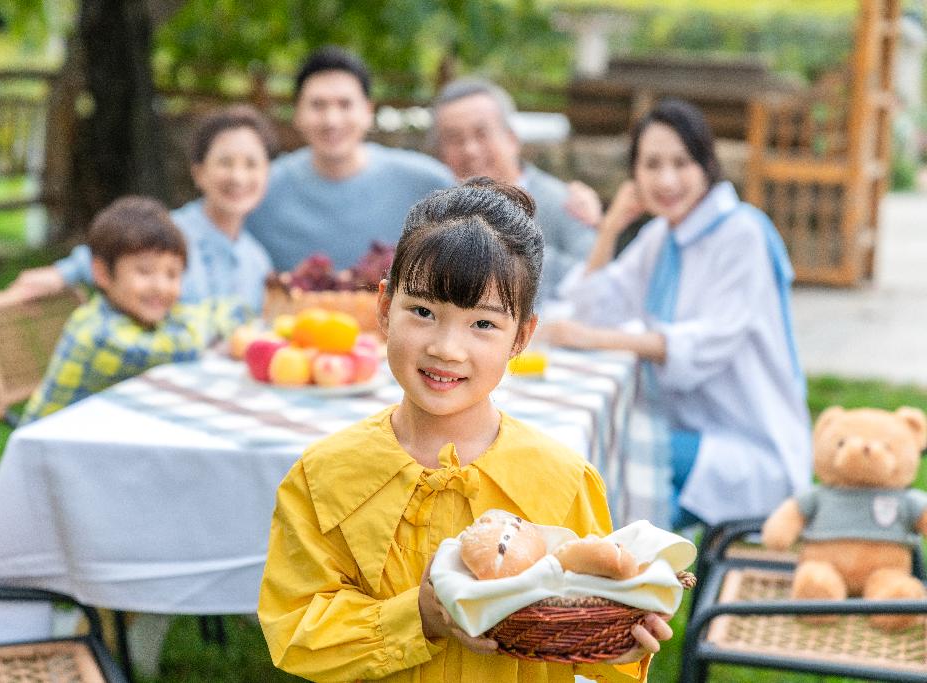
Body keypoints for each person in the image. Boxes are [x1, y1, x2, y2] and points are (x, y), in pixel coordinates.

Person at [258, 178, 671, 682]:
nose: (447, 348)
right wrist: (421, 618)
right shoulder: (324, 477)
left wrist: (620, 645)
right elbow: (296, 626)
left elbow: (591, 628)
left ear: (521, 336)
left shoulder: (561, 481)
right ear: (384, 308)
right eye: (425, 312)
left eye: (482, 324)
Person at [545, 98, 812, 529]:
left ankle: (643, 580)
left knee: (622, 465)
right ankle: (631, 575)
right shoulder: (661, 236)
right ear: (635, 174)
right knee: (608, 461)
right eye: (651, 164)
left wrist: (595, 339)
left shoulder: (742, 233)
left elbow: (705, 344)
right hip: (690, 433)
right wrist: (611, 227)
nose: (666, 179)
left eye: (681, 162)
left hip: (750, 446)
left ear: (707, 165)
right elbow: (592, 308)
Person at [9, 105, 276, 314]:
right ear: (198, 173)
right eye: (225, 163)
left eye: (252, 164)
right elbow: (107, 255)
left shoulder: (257, 261)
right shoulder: (168, 232)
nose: (238, 177)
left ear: (267, 175)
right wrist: (58, 274)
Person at [20, 196, 240, 424]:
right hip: (51, 451)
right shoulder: (99, 334)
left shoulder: (133, 315)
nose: (160, 287)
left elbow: (226, 310)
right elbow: (185, 347)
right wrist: (215, 333)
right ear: (103, 274)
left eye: (172, 274)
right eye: (145, 271)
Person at [246, 46, 454, 271]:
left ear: (367, 111)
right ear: (297, 113)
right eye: (318, 105)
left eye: (345, 104)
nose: (331, 120)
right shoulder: (260, 188)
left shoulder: (429, 184)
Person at [432, 77, 603, 301]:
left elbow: (600, 283)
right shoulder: (437, 211)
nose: (470, 150)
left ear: (511, 139)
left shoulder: (567, 203)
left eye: (481, 134)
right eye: (454, 139)